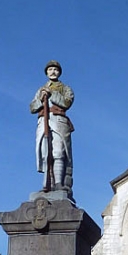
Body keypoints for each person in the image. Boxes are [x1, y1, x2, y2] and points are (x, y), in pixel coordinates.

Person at [29, 60, 74, 193]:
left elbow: (67, 102)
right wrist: (41, 99)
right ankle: (47, 184)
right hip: (43, 122)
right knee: (45, 153)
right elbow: (32, 107)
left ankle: (59, 183)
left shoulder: (65, 88)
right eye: (50, 69)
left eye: (55, 69)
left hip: (58, 121)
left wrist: (52, 94)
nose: (53, 72)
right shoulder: (40, 90)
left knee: (58, 152)